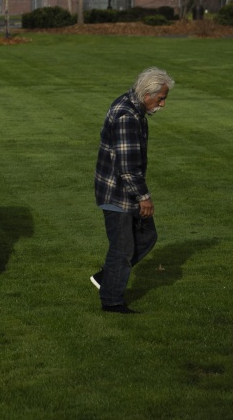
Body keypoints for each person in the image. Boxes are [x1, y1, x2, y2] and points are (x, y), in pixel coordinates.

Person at [91, 67, 174, 314]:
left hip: (122, 190)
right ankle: (112, 301)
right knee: (122, 249)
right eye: (161, 98)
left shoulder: (132, 105)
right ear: (147, 94)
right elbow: (127, 167)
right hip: (117, 193)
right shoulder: (127, 116)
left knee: (147, 236)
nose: (163, 104)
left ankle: (107, 277)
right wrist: (144, 197)